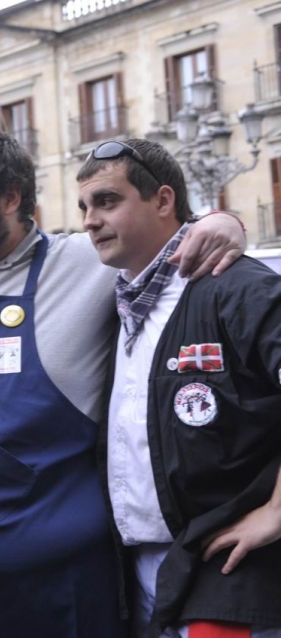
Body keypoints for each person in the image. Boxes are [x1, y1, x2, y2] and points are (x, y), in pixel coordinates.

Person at [0, 128, 247, 637]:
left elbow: (166, 236)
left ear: (12, 198)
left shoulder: (84, 262)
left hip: (42, 592)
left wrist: (223, 221)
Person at [78, 139, 281, 638]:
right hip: (143, 576)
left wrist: (278, 510)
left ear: (163, 201)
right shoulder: (116, 298)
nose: (88, 220)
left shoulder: (234, 284)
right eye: (84, 206)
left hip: (229, 573)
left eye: (107, 201)